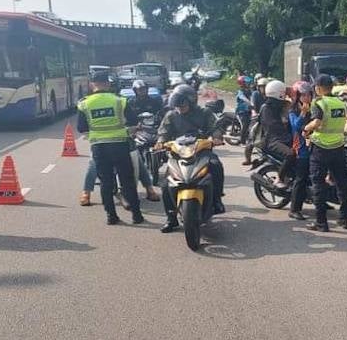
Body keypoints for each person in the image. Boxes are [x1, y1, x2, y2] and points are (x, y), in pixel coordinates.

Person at [77, 71, 143, 225]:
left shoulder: (84, 103)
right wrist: (127, 131)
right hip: (120, 144)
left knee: (106, 182)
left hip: (99, 148)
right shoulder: (120, 100)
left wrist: (95, 135)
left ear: (92, 84)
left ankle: (111, 216)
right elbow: (133, 122)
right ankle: (136, 215)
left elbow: (82, 128)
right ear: (107, 83)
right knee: (127, 181)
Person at [157, 84, 225, 232]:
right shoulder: (171, 115)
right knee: (166, 183)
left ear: (191, 101)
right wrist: (160, 142)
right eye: (177, 105)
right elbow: (163, 131)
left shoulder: (204, 112)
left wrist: (217, 137)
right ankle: (171, 218)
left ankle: (217, 200)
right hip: (178, 153)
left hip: (201, 151)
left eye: (182, 104)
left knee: (216, 165)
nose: (179, 108)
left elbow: (216, 127)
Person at [303, 74, 347, 232]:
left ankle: (321, 223)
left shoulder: (319, 102)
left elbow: (317, 122)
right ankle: (344, 219)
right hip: (338, 147)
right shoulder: (341, 103)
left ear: (317, 88)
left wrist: (306, 129)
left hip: (321, 148)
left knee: (318, 185)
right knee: (342, 184)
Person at [259, 79, 295, 188]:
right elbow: (274, 127)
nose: (284, 96)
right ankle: (279, 178)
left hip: (284, 138)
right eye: (283, 93)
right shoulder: (266, 109)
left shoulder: (280, 106)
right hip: (272, 141)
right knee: (290, 154)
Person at [287, 80, 314, 220]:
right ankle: (294, 209)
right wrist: (303, 113)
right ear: (297, 96)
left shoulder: (313, 108)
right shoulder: (293, 110)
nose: (307, 97)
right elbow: (296, 127)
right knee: (301, 178)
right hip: (300, 148)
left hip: (313, 146)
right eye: (303, 95)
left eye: (309, 94)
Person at [243, 75, 268, 166]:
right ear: (258, 87)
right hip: (256, 118)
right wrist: (254, 112)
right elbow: (253, 105)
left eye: (265, 86)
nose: (263, 89)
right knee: (252, 137)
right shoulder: (255, 94)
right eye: (261, 87)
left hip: (267, 119)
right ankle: (248, 159)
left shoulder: (270, 95)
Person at [234, 74, 255, 146]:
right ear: (242, 83)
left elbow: (253, 96)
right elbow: (243, 98)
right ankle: (242, 142)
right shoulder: (240, 91)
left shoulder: (249, 90)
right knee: (245, 126)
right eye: (246, 82)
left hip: (248, 110)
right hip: (242, 111)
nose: (248, 84)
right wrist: (250, 103)